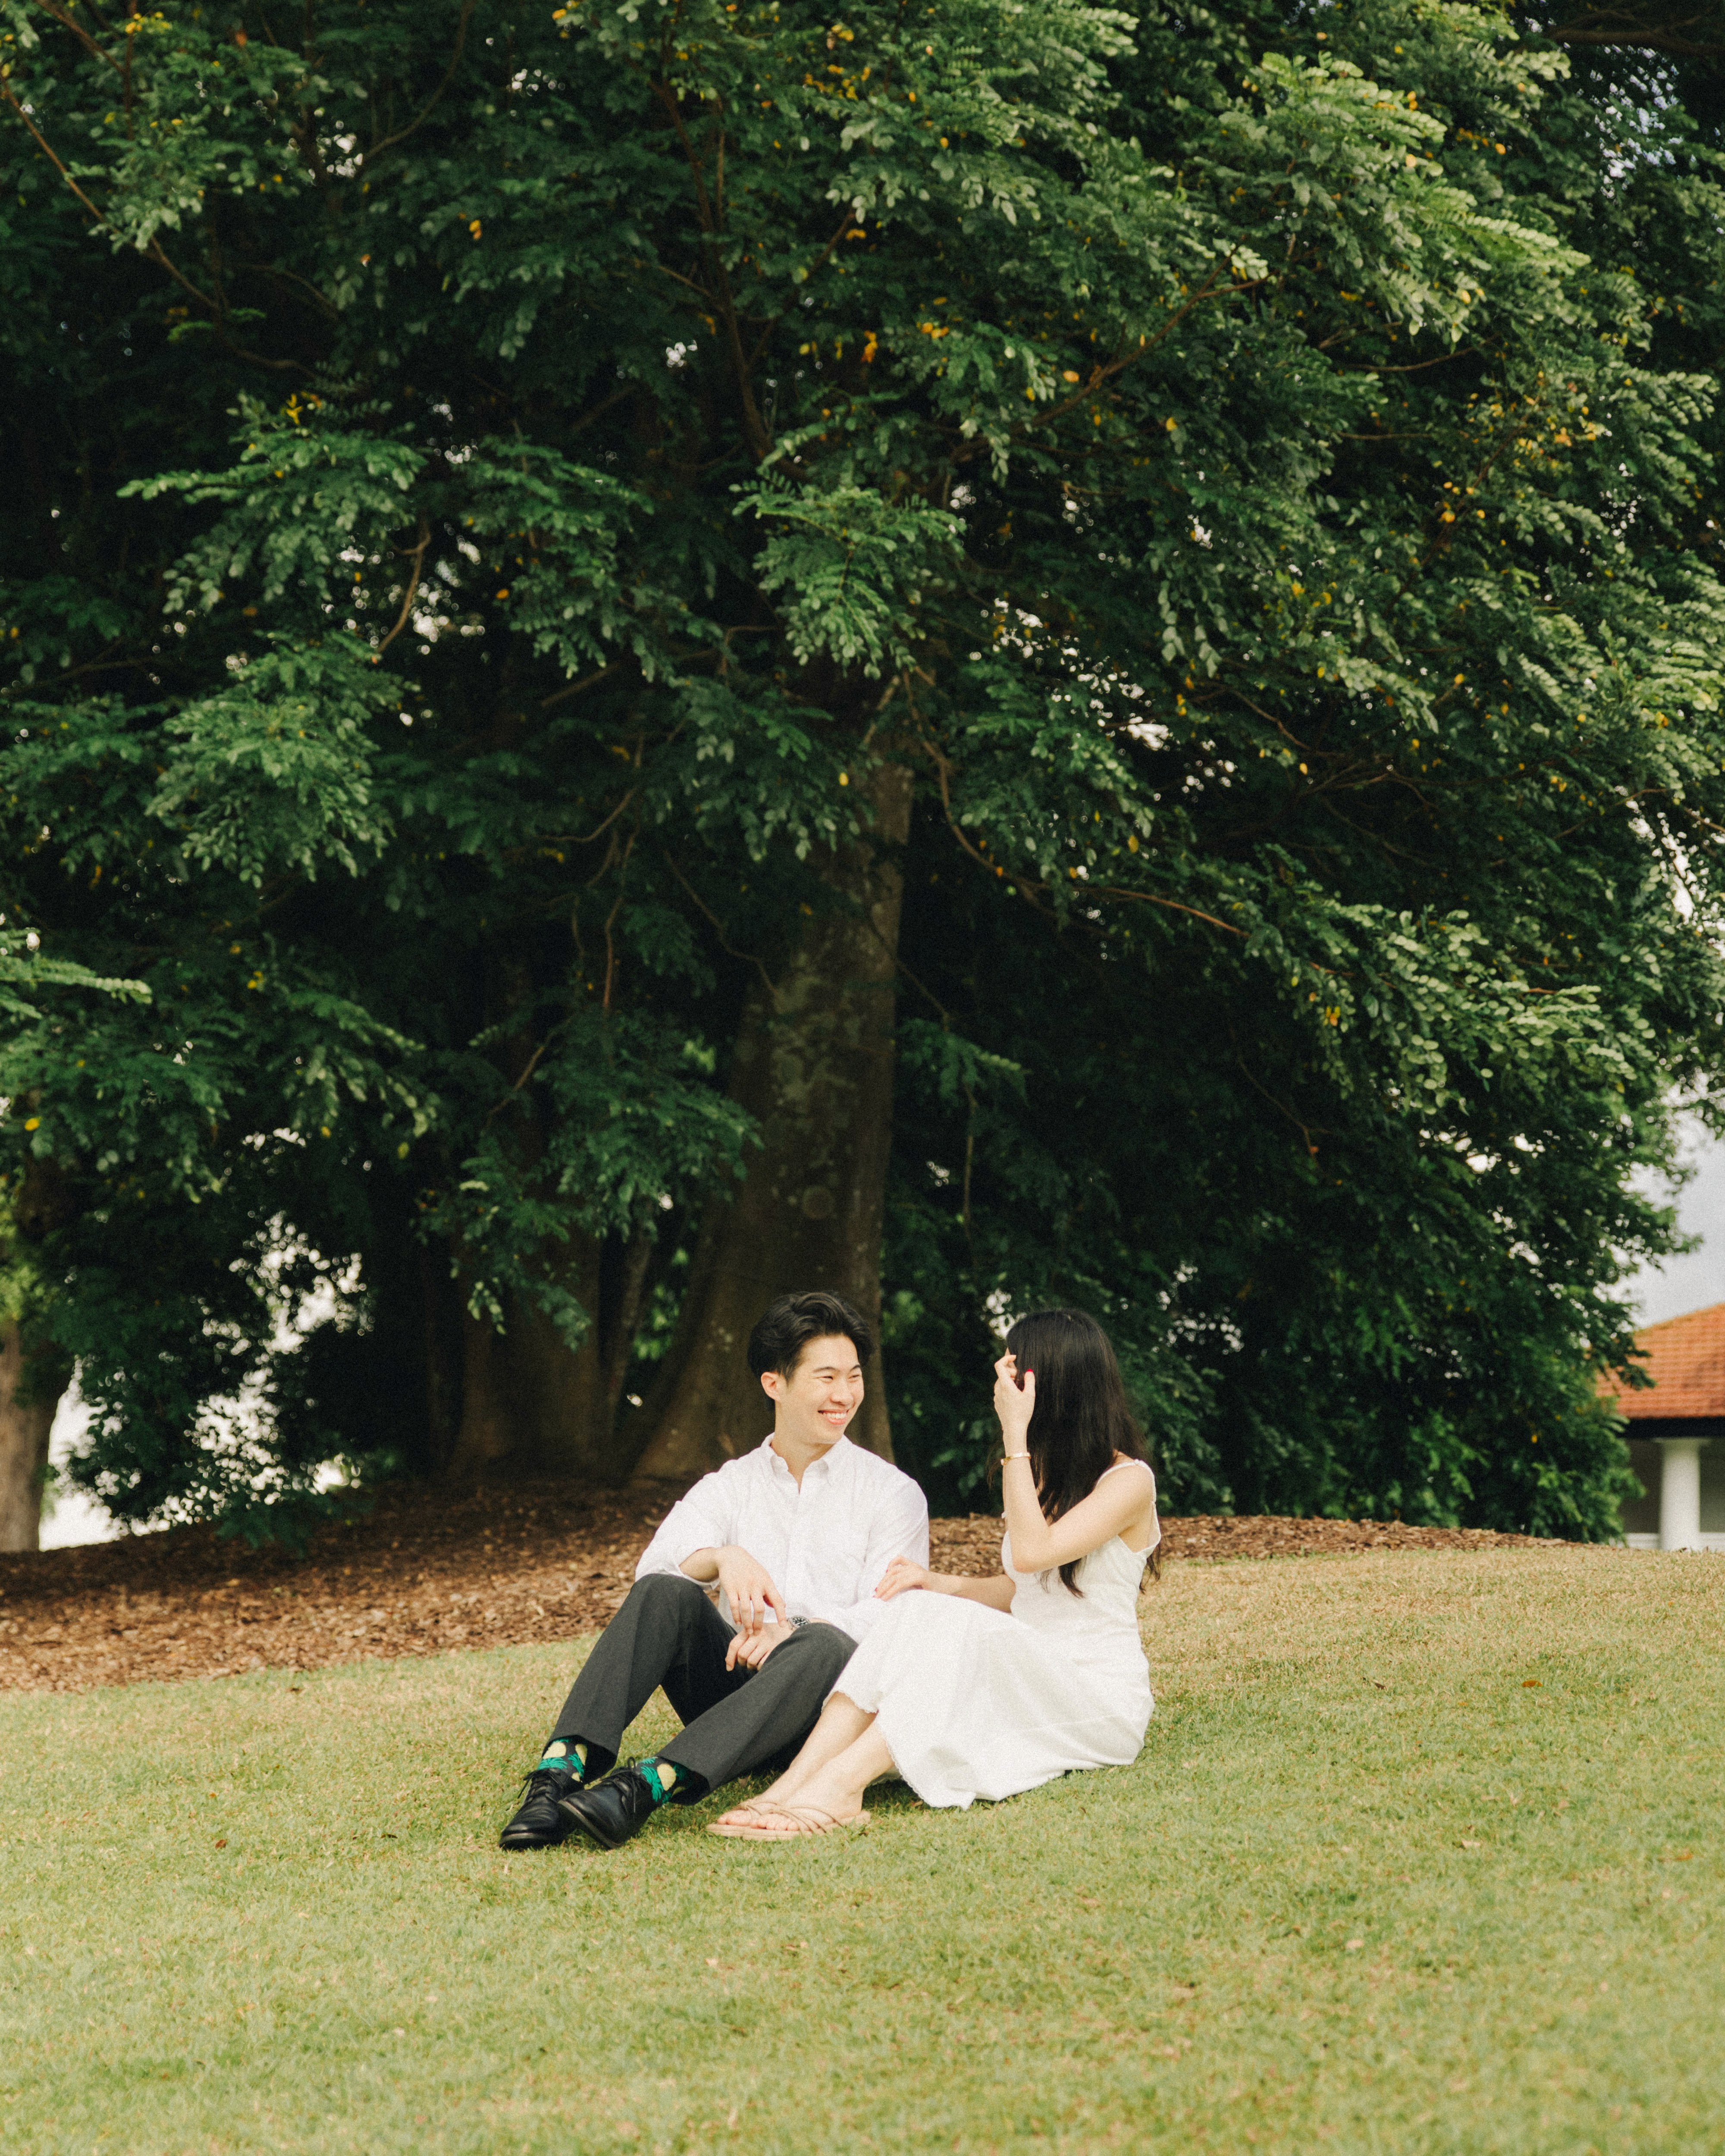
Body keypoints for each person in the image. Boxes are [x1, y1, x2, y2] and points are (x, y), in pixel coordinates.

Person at [499, 1288, 928, 1852]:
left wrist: (791, 1633)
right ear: (774, 1383)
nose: (844, 1394)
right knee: (665, 1593)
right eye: (826, 1378)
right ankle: (557, 1775)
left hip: (826, 1712)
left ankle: (646, 1785)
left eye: (853, 1377)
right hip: (734, 1690)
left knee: (826, 1643)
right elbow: (655, 1568)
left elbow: (891, 1613)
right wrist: (725, 1557)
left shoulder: (891, 1493)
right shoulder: (732, 1484)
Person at [709, 1307, 1158, 1839]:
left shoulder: (1129, 1481)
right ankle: (792, 1784)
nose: (1000, 1384)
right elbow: (1028, 1590)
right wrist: (940, 1584)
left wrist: (1015, 1434)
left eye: (1012, 1370)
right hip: (1028, 1669)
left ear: (1048, 1383)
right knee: (916, 1609)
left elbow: (1034, 1553)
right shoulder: (1040, 1474)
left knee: (959, 1629)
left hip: (1094, 1696)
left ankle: (841, 1785)